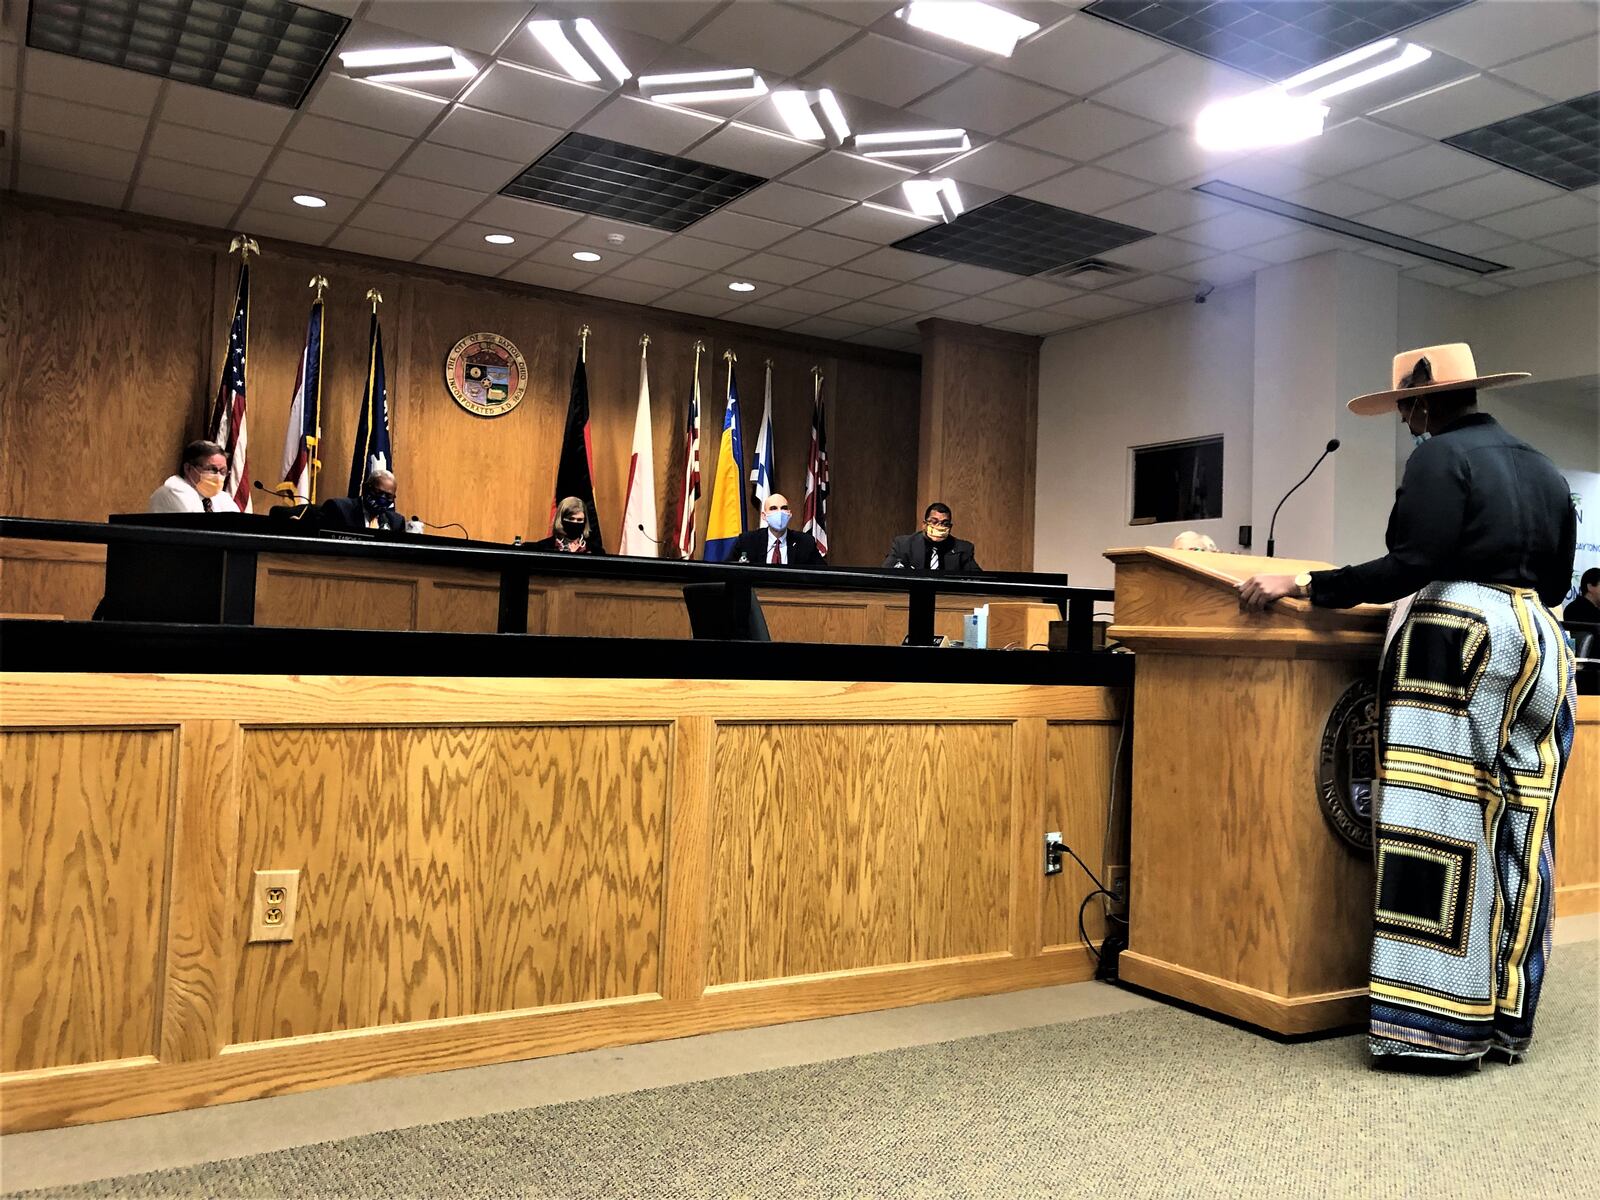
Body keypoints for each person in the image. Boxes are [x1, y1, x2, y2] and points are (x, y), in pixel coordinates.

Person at [1239, 343, 1577, 1069]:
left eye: (1405, 409)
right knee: (1523, 826)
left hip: (1458, 638)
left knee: (1440, 823)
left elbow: (1412, 563)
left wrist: (1302, 581)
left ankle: (1439, 1030)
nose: (1405, 421)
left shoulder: (1436, 457)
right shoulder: (1543, 466)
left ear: (1424, 404)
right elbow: (1555, 580)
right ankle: (1506, 1020)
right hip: (1543, 641)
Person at [883, 503, 981, 573]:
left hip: (947, 598)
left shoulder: (963, 549)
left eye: (945, 523)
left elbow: (977, 579)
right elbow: (887, 573)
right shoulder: (904, 544)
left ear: (950, 527)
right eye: (934, 522)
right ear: (924, 525)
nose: (939, 526)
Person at [731, 494, 825, 566]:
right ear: (764, 516)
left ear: (789, 514)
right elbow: (728, 571)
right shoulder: (747, 541)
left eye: (784, 508)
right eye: (773, 508)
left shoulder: (805, 543)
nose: (779, 512)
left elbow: (822, 574)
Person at [148, 439, 239, 513]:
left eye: (223, 471)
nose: (218, 476)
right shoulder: (174, 492)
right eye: (211, 469)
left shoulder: (223, 498)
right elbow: (200, 532)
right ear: (188, 468)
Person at [321, 469, 404, 532]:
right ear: (365, 488)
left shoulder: (396, 522)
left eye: (389, 496)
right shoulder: (338, 509)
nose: (382, 499)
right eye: (378, 492)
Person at [528, 496, 606, 554]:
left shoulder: (596, 551)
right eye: (571, 519)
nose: (575, 522)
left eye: (579, 520)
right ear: (561, 520)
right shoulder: (542, 548)